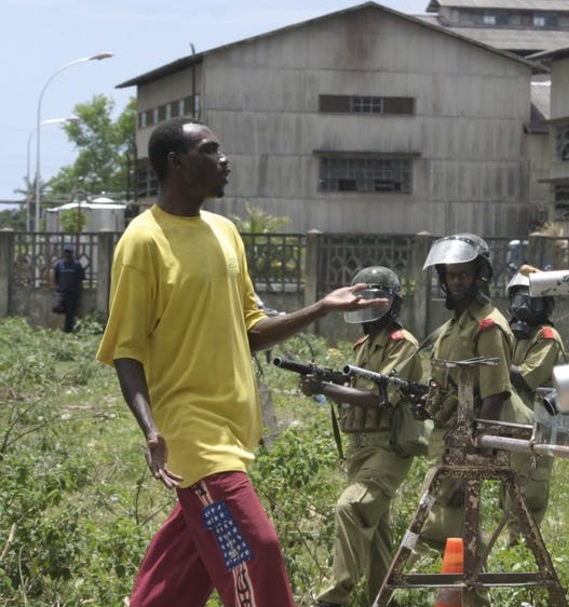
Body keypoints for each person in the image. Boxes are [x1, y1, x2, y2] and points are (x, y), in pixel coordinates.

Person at [96, 116, 388, 607]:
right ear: (176, 163)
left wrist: (321, 307)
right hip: (192, 435)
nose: (224, 159)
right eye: (210, 151)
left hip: (233, 431)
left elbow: (250, 330)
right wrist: (151, 429)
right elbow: (126, 349)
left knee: (184, 566)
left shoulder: (226, 233)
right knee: (255, 550)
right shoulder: (142, 242)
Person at [416, 233, 531, 604]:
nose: (457, 282)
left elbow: (494, 395)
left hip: (468, 445)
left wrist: (472, 462)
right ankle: (454, 597)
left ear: (480, 276)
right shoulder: (452, 326)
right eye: (451, 276)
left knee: (455, 531)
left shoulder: (488, 327)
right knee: (443, 529)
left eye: (464, 275)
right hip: (446, 441)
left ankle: (463, 598)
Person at [307, 266, 424, 607]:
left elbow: (380, 396)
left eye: (376, 301)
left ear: (392, 305)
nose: (368, 308)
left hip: (389, 448)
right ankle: (383, 600)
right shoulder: (364, 345)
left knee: (351, 508)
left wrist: (327, 387)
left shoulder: (404, 346)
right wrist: (326, 384)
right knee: (375, 536)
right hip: (360, 449)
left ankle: (334, 597)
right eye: (363, 301)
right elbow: (356, 387)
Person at [503, 272, 563, 540]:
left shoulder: (547, 337)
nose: (525, 306)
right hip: (512, 423)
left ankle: (525, 556)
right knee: (509, 492)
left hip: (539, 425)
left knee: (529, 494)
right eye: (520, 298)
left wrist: (494, 361)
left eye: (534, 300)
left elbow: (528, 377)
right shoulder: (510, 335)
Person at [52, 246, 84, 332]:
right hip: (61, 292)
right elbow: (56, 277)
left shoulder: (77, 265)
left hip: (72, 293)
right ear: (64, 254)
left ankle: (68, 332)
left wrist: (78, 291)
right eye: (66, 253)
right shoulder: (59, 264)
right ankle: (66, 311)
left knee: (70, 315)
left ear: (72, 254)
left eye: (69, 253)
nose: (68, 255)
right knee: (56, 307)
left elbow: (80, 278)